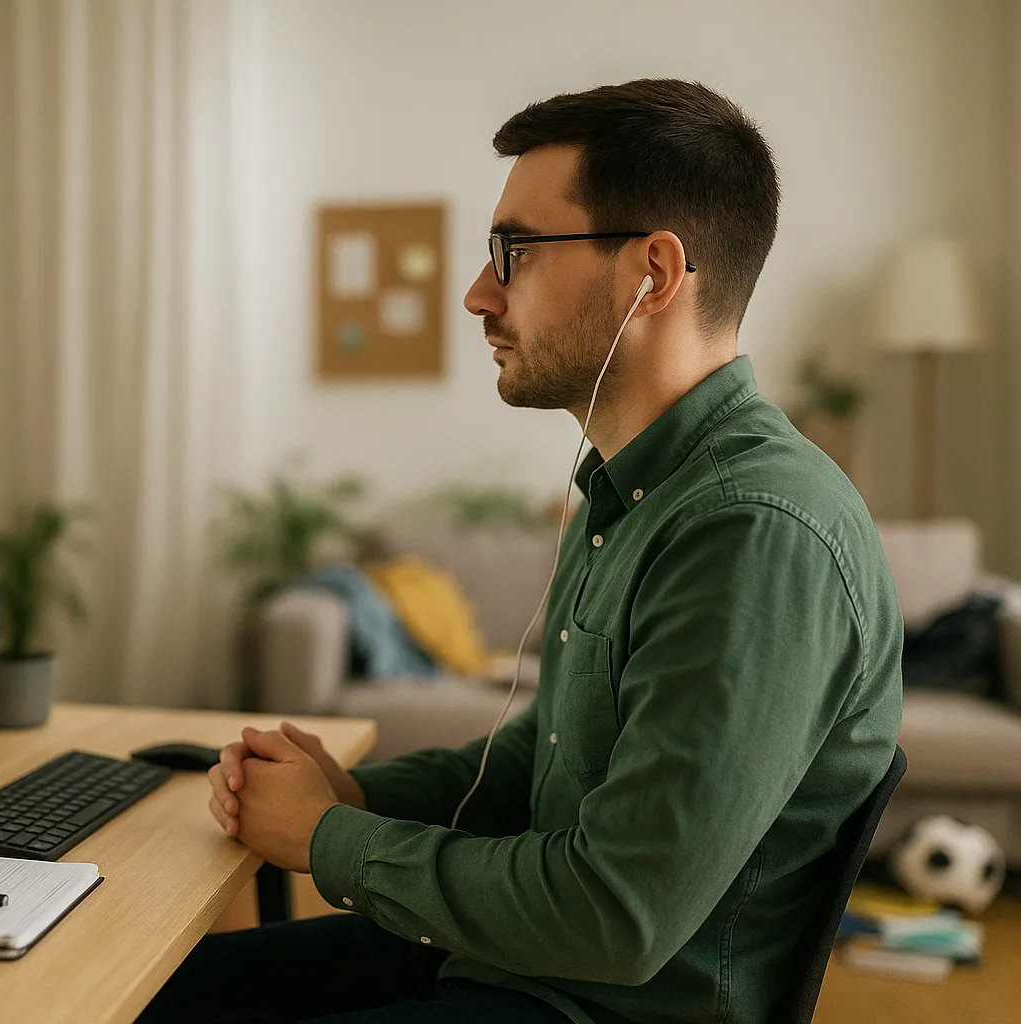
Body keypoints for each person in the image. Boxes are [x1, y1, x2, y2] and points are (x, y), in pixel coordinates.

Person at [141, 79, 903, 1024]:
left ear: (654, 274)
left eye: (516, 251)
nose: (477, 292)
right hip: (507, 966)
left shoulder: (754, 531)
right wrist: (352, 792)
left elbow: (615, 913)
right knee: (132, 997)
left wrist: (329, 838)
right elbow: (543, 769)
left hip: (596, 1004)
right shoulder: (628, 491)